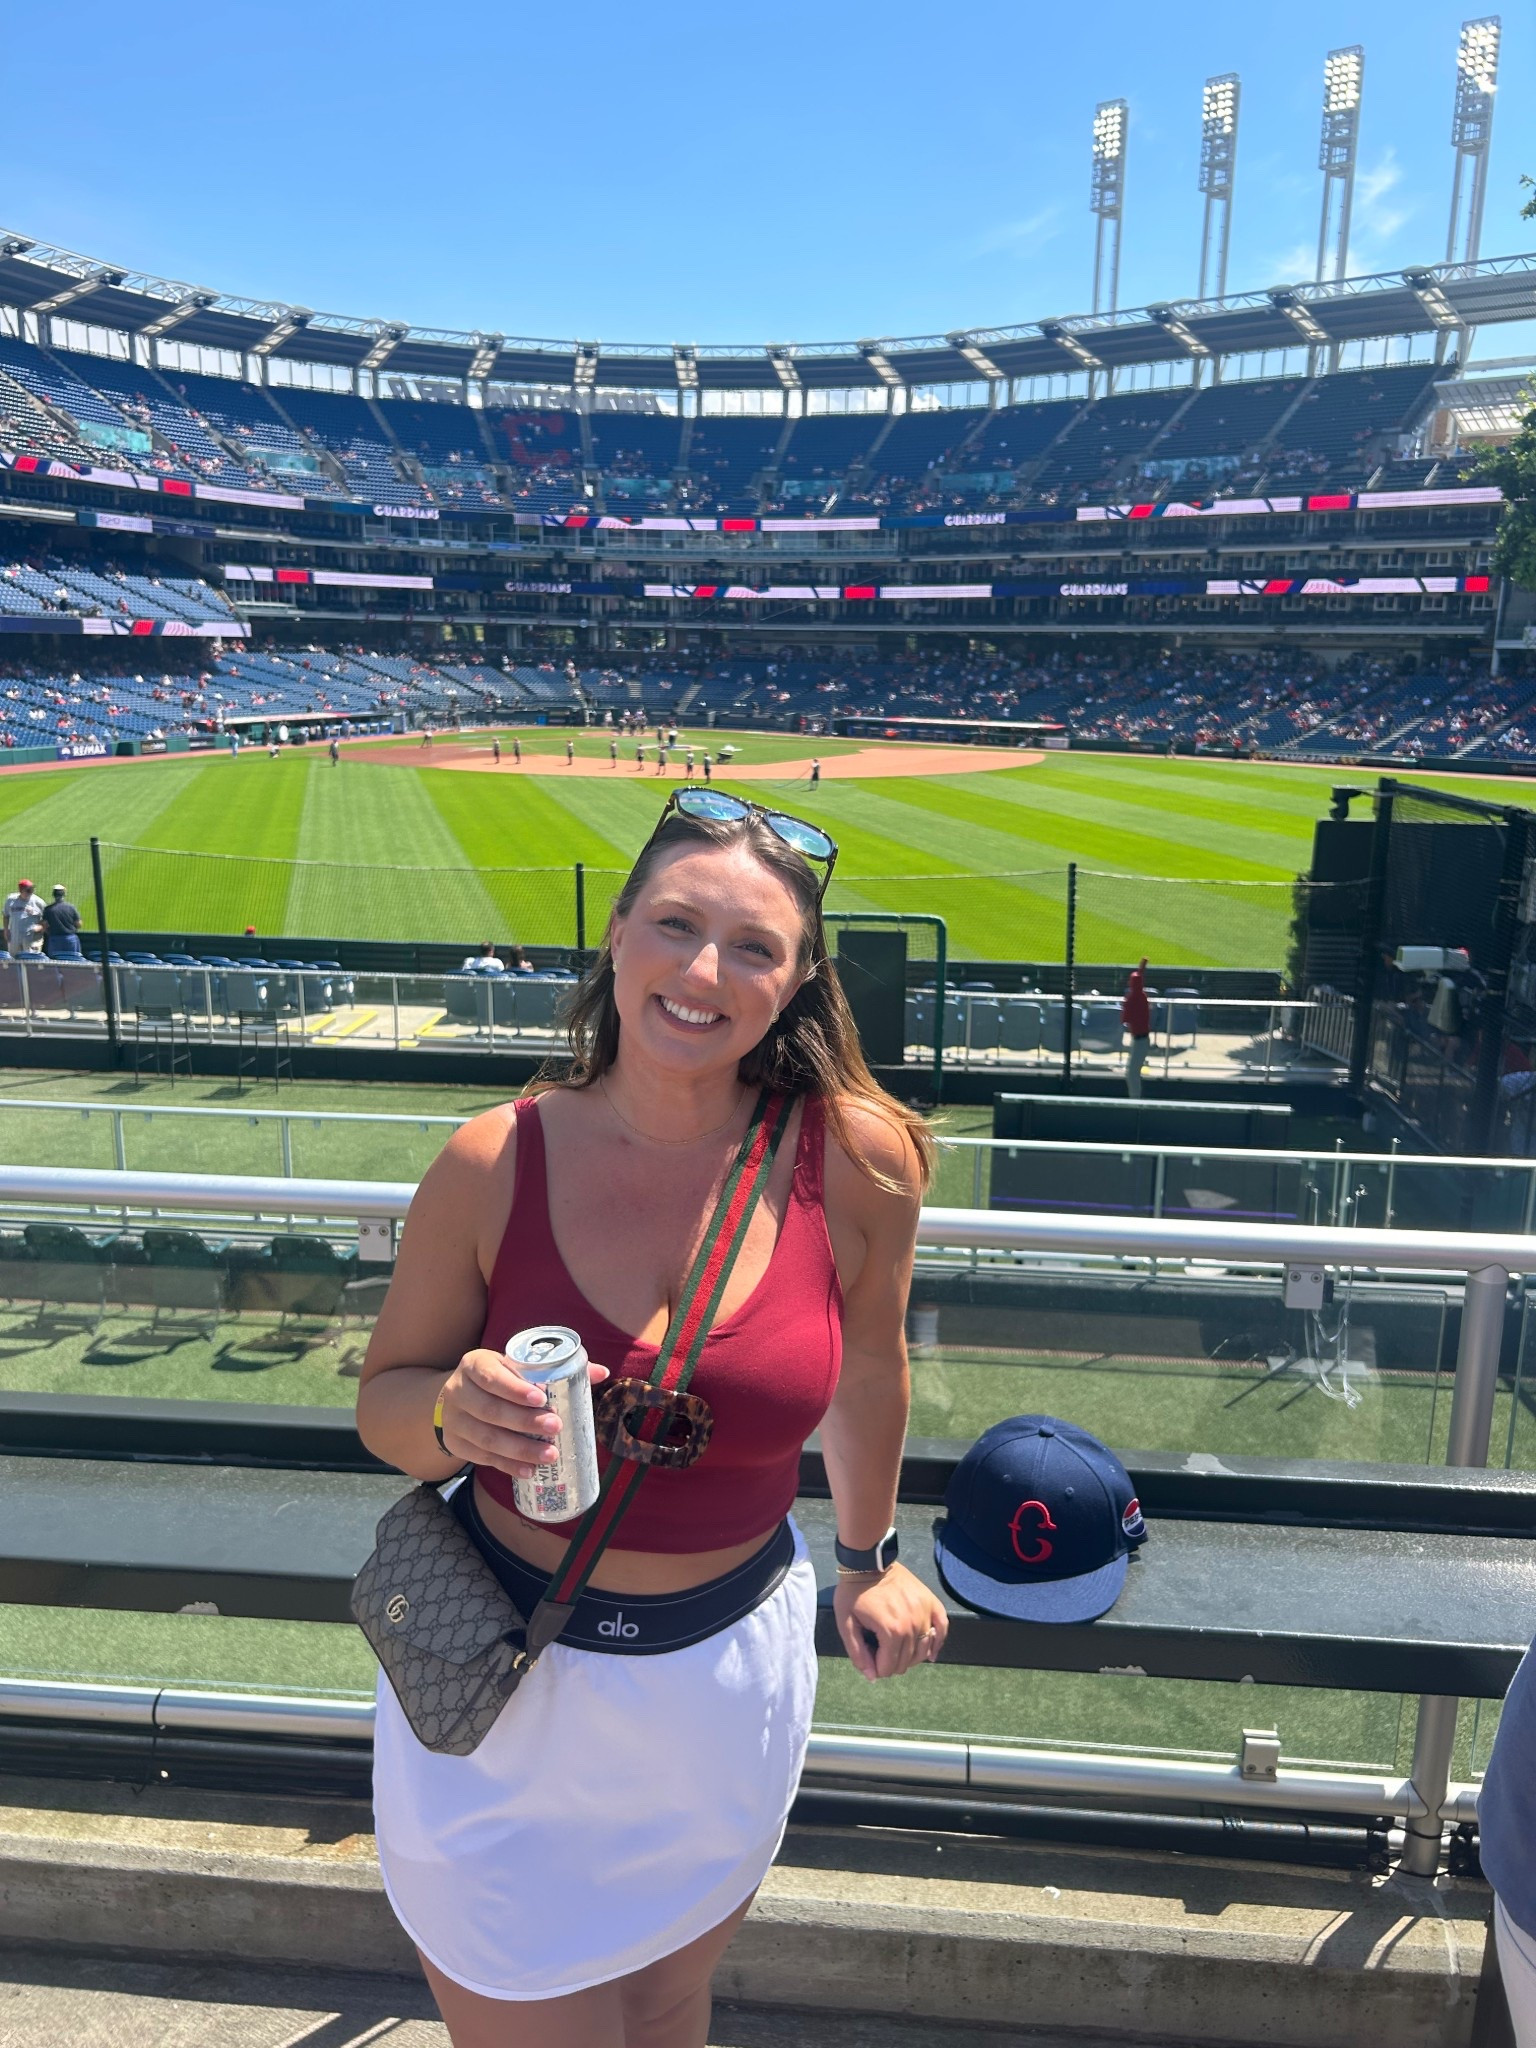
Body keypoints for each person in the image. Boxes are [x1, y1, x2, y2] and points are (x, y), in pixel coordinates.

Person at [357, 790, 943, 2042]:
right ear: (617, 932)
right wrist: (453, 1414)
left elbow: (869, 1370)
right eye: (676, 923)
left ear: (798, 982)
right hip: (504, 1684)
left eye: (754, 947)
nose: (704, 971)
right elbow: (385, 1404)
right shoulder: (490, 1160)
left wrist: (870, 1556)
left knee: (667, 1998)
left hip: (721, 1687)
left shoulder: (863, 1158)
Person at [1121, 957, 1152, 1098]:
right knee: (1133, 1072)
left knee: (1132, 1073)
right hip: (1142, 1039)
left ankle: (1135, 1100)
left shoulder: (1132, 999)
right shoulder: (1142, 996)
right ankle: (1135, 1099)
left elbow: (1125, 1019)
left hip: (1139, 1040)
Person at [40, 884, 82, 959]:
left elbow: (44, 926)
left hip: (54, 939)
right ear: (64, 894)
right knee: (73, 960)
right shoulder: (71, 908)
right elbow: (78, 924)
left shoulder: (48, 909)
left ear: (54, 895)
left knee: (55, 962)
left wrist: (49, 933)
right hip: (70, 938)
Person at [3, 879, 40, 957]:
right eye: (28, 890)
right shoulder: (10, 900)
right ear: (21, 890)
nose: (31, 892)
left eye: (32, 889)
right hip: (14, 936)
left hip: (30, 938)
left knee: (31, 959)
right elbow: (6, 916)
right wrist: (6, 930)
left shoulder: (38, 902)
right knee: (13, 958)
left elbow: (46, 920)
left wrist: (40, 928)